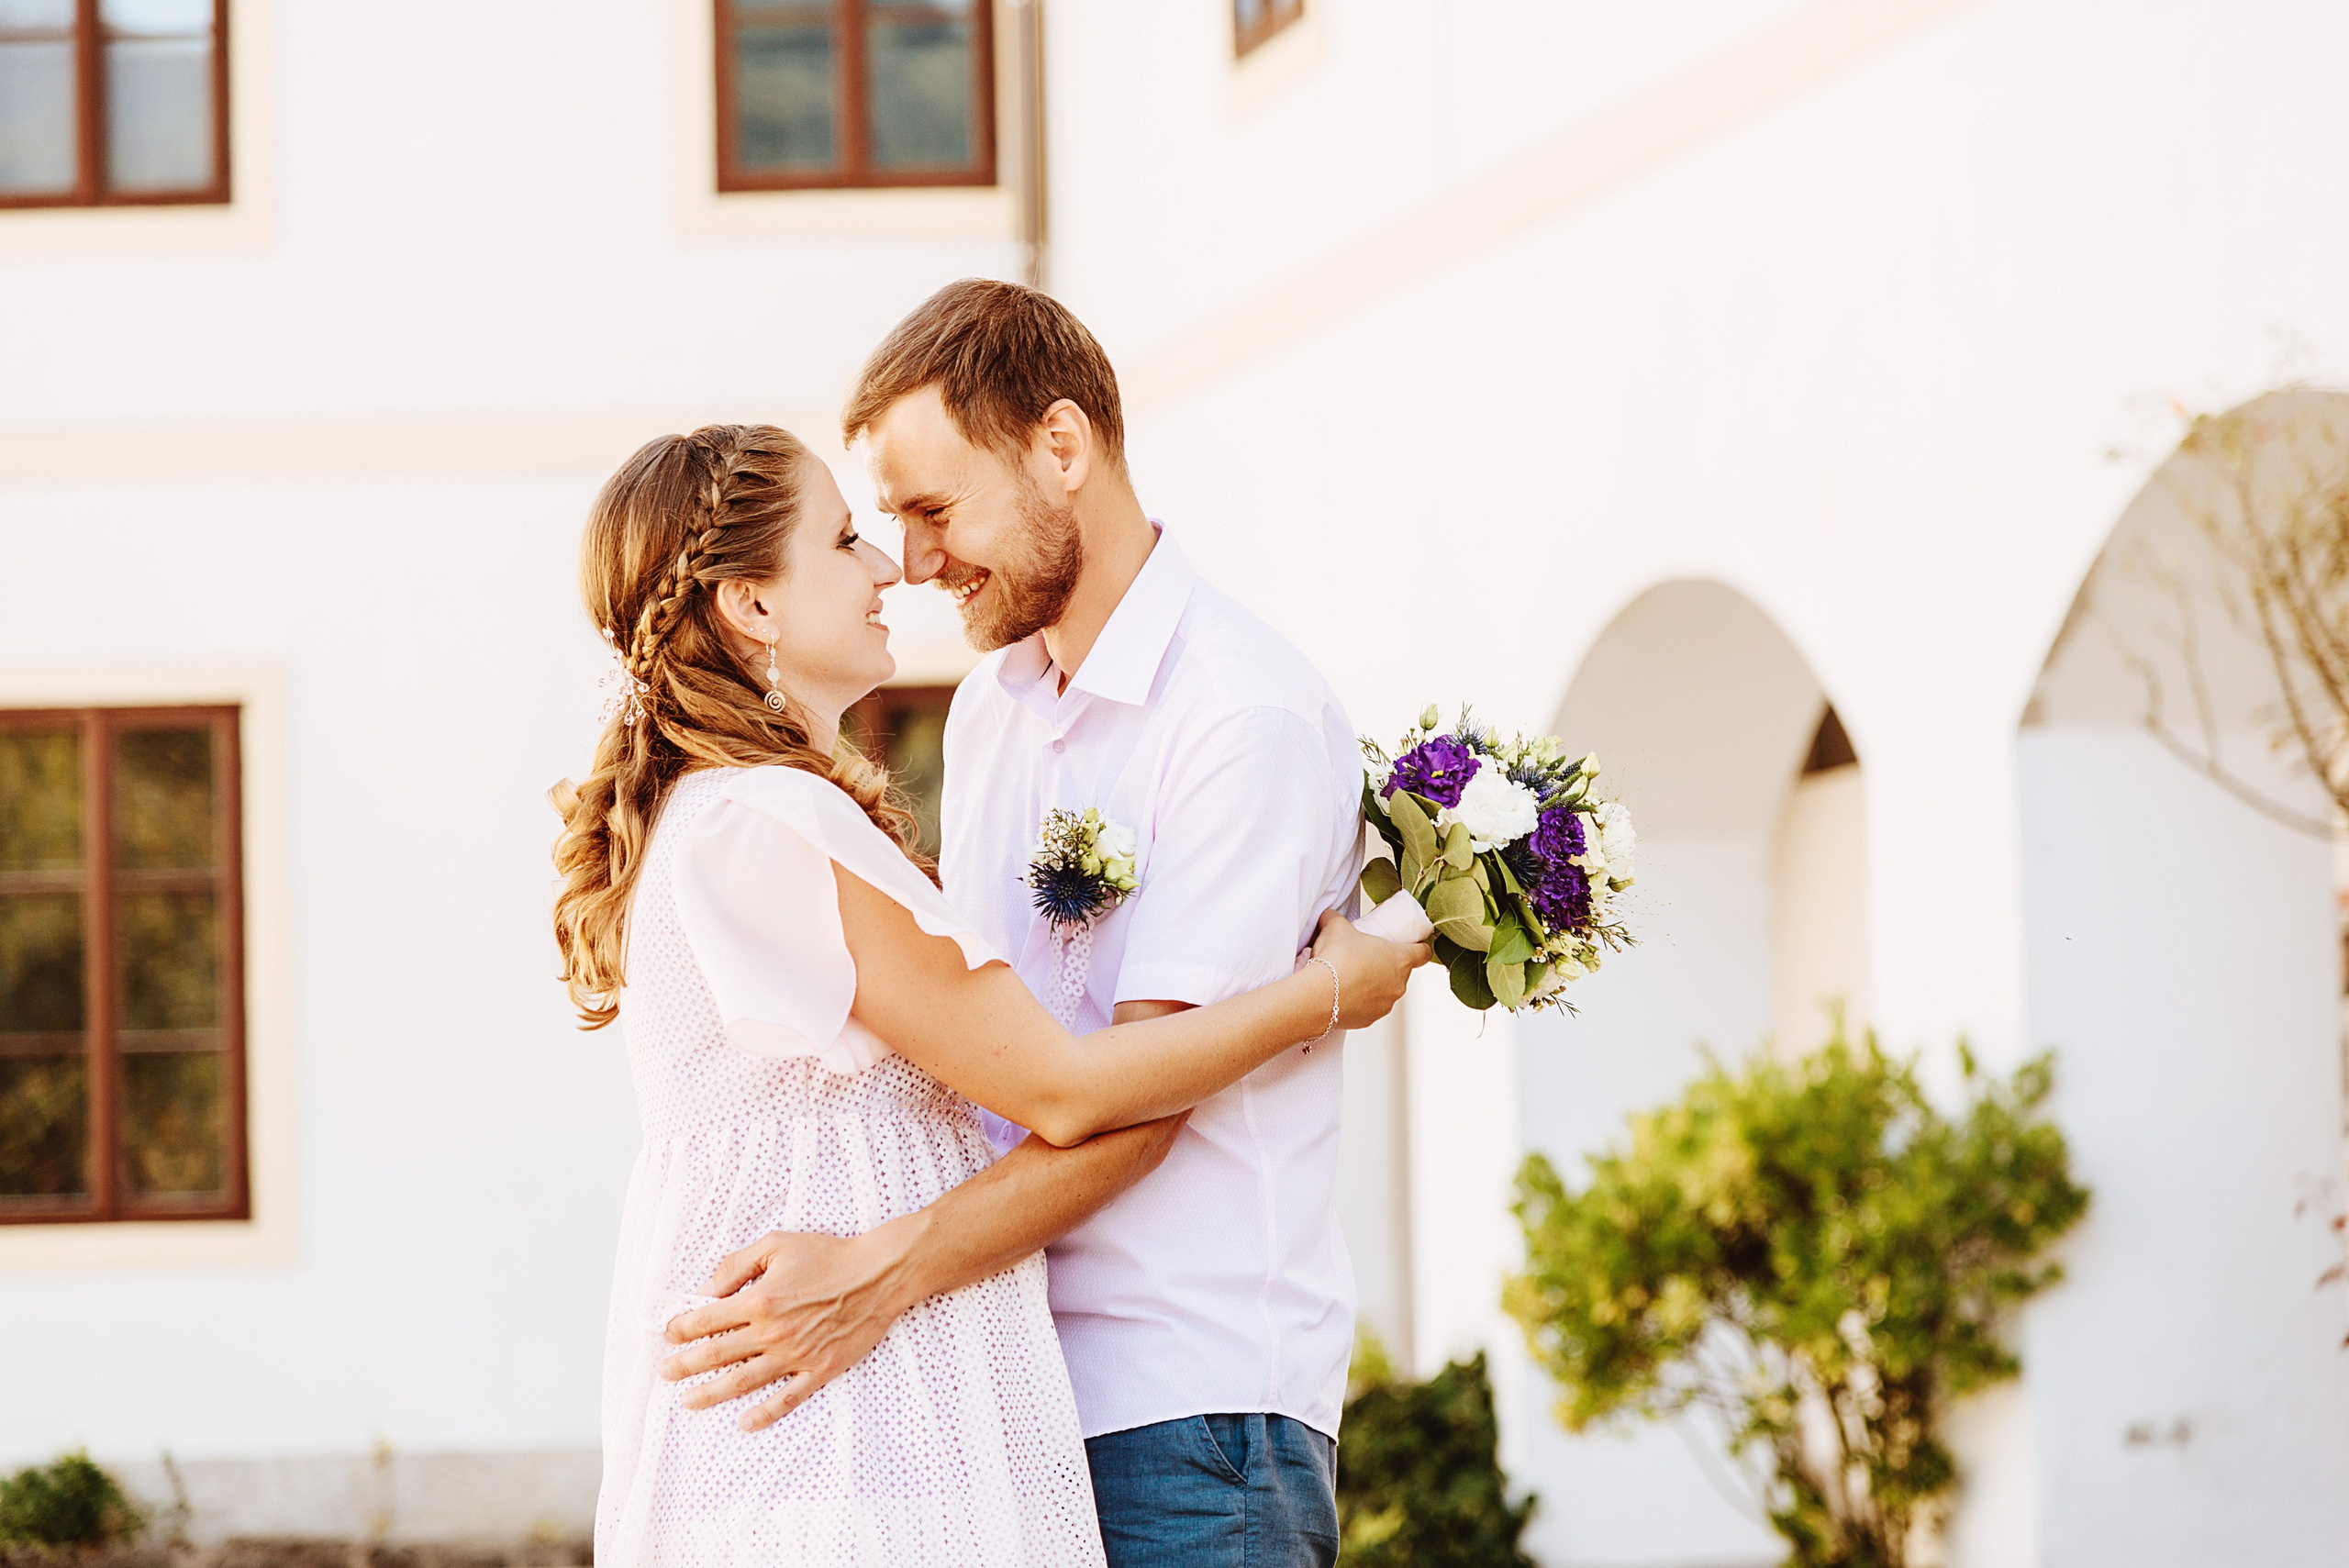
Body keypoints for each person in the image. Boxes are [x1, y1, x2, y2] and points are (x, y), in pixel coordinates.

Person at [551, 420, 1427, 1567]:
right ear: (753, 604)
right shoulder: (771, 818)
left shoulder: (723, 813)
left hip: (813, 1421)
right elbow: (1066, 1088)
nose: (889, 567)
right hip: (837, 1439)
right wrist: (1331, 989)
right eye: (846, 539)